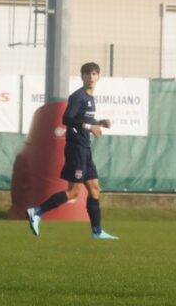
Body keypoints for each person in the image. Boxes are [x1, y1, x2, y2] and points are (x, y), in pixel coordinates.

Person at [26, 62, 118, 240]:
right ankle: (37, 212)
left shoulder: (90, 98)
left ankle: (97, 231)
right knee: (74, 192)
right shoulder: (78, 96)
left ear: (98, 77)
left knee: (95, 190)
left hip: (85, 149)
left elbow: (83, 119)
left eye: (94, 74)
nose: (91, 77)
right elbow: (67, 118)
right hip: (76, 149)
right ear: (82, 76)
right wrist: (91, 126)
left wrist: (99, 123)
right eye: (87, 74)